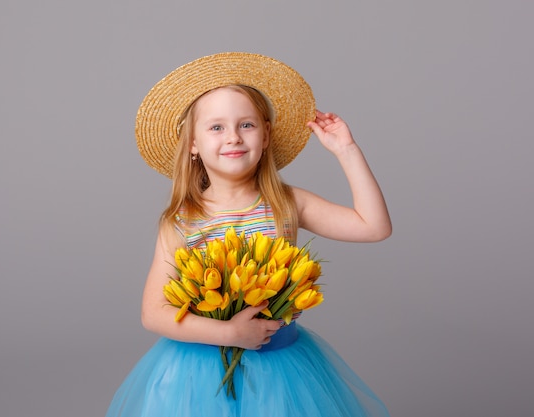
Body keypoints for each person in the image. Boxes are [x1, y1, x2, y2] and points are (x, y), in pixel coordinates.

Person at [106, 52, 392, 416]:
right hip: (200, 374)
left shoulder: (286, 203)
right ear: (192, 143)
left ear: (266, 134)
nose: (233, 138)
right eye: (216, 127)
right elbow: (153, 314)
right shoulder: (183, 220)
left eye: (247, 125)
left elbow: (374, 226)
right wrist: (229, 335)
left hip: (280, 368)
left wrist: (346, 151)